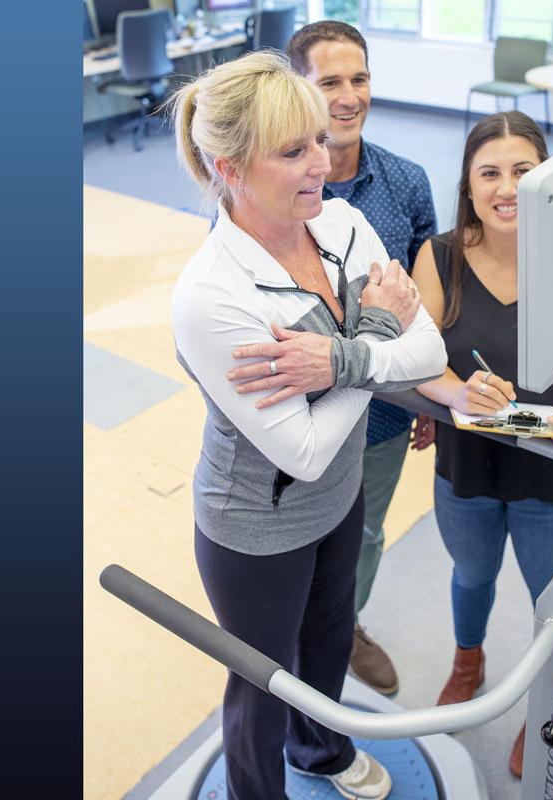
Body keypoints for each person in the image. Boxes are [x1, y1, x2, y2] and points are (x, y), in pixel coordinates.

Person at [165, 52, 446, 800]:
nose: (324, 161)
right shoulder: (211, 296)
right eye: (295, 151)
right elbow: (307, 447)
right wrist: (377, 341)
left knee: (327, 641)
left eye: (321, 141)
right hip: (254, 524)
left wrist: (342, 361)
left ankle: (320, 754)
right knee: (261, 684)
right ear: (228, 167)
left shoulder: (342, 224)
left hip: (341, 496)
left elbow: (432, 350)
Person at [407, 111, 553, 780]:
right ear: (467, 186)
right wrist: (456, 393)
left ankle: (546, 704)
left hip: (551, 474)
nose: (506, 188)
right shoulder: (438, 258)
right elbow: (418, 363)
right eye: (488, 173)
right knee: (472, 575)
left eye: (523, 172)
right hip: (464, 468)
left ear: (547, 179)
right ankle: (468, 662)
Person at [283, 19, 437, 697]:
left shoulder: (406, 184)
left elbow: (430, 306)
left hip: (383, 416)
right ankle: (298, 642)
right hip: (292, 417)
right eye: (329, 83)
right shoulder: (268, 191)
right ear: (297, 92)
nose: (348, 97)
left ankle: (345, 628)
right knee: (292, 551)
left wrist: (433, 389)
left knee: (366, 536)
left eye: (360, 79)